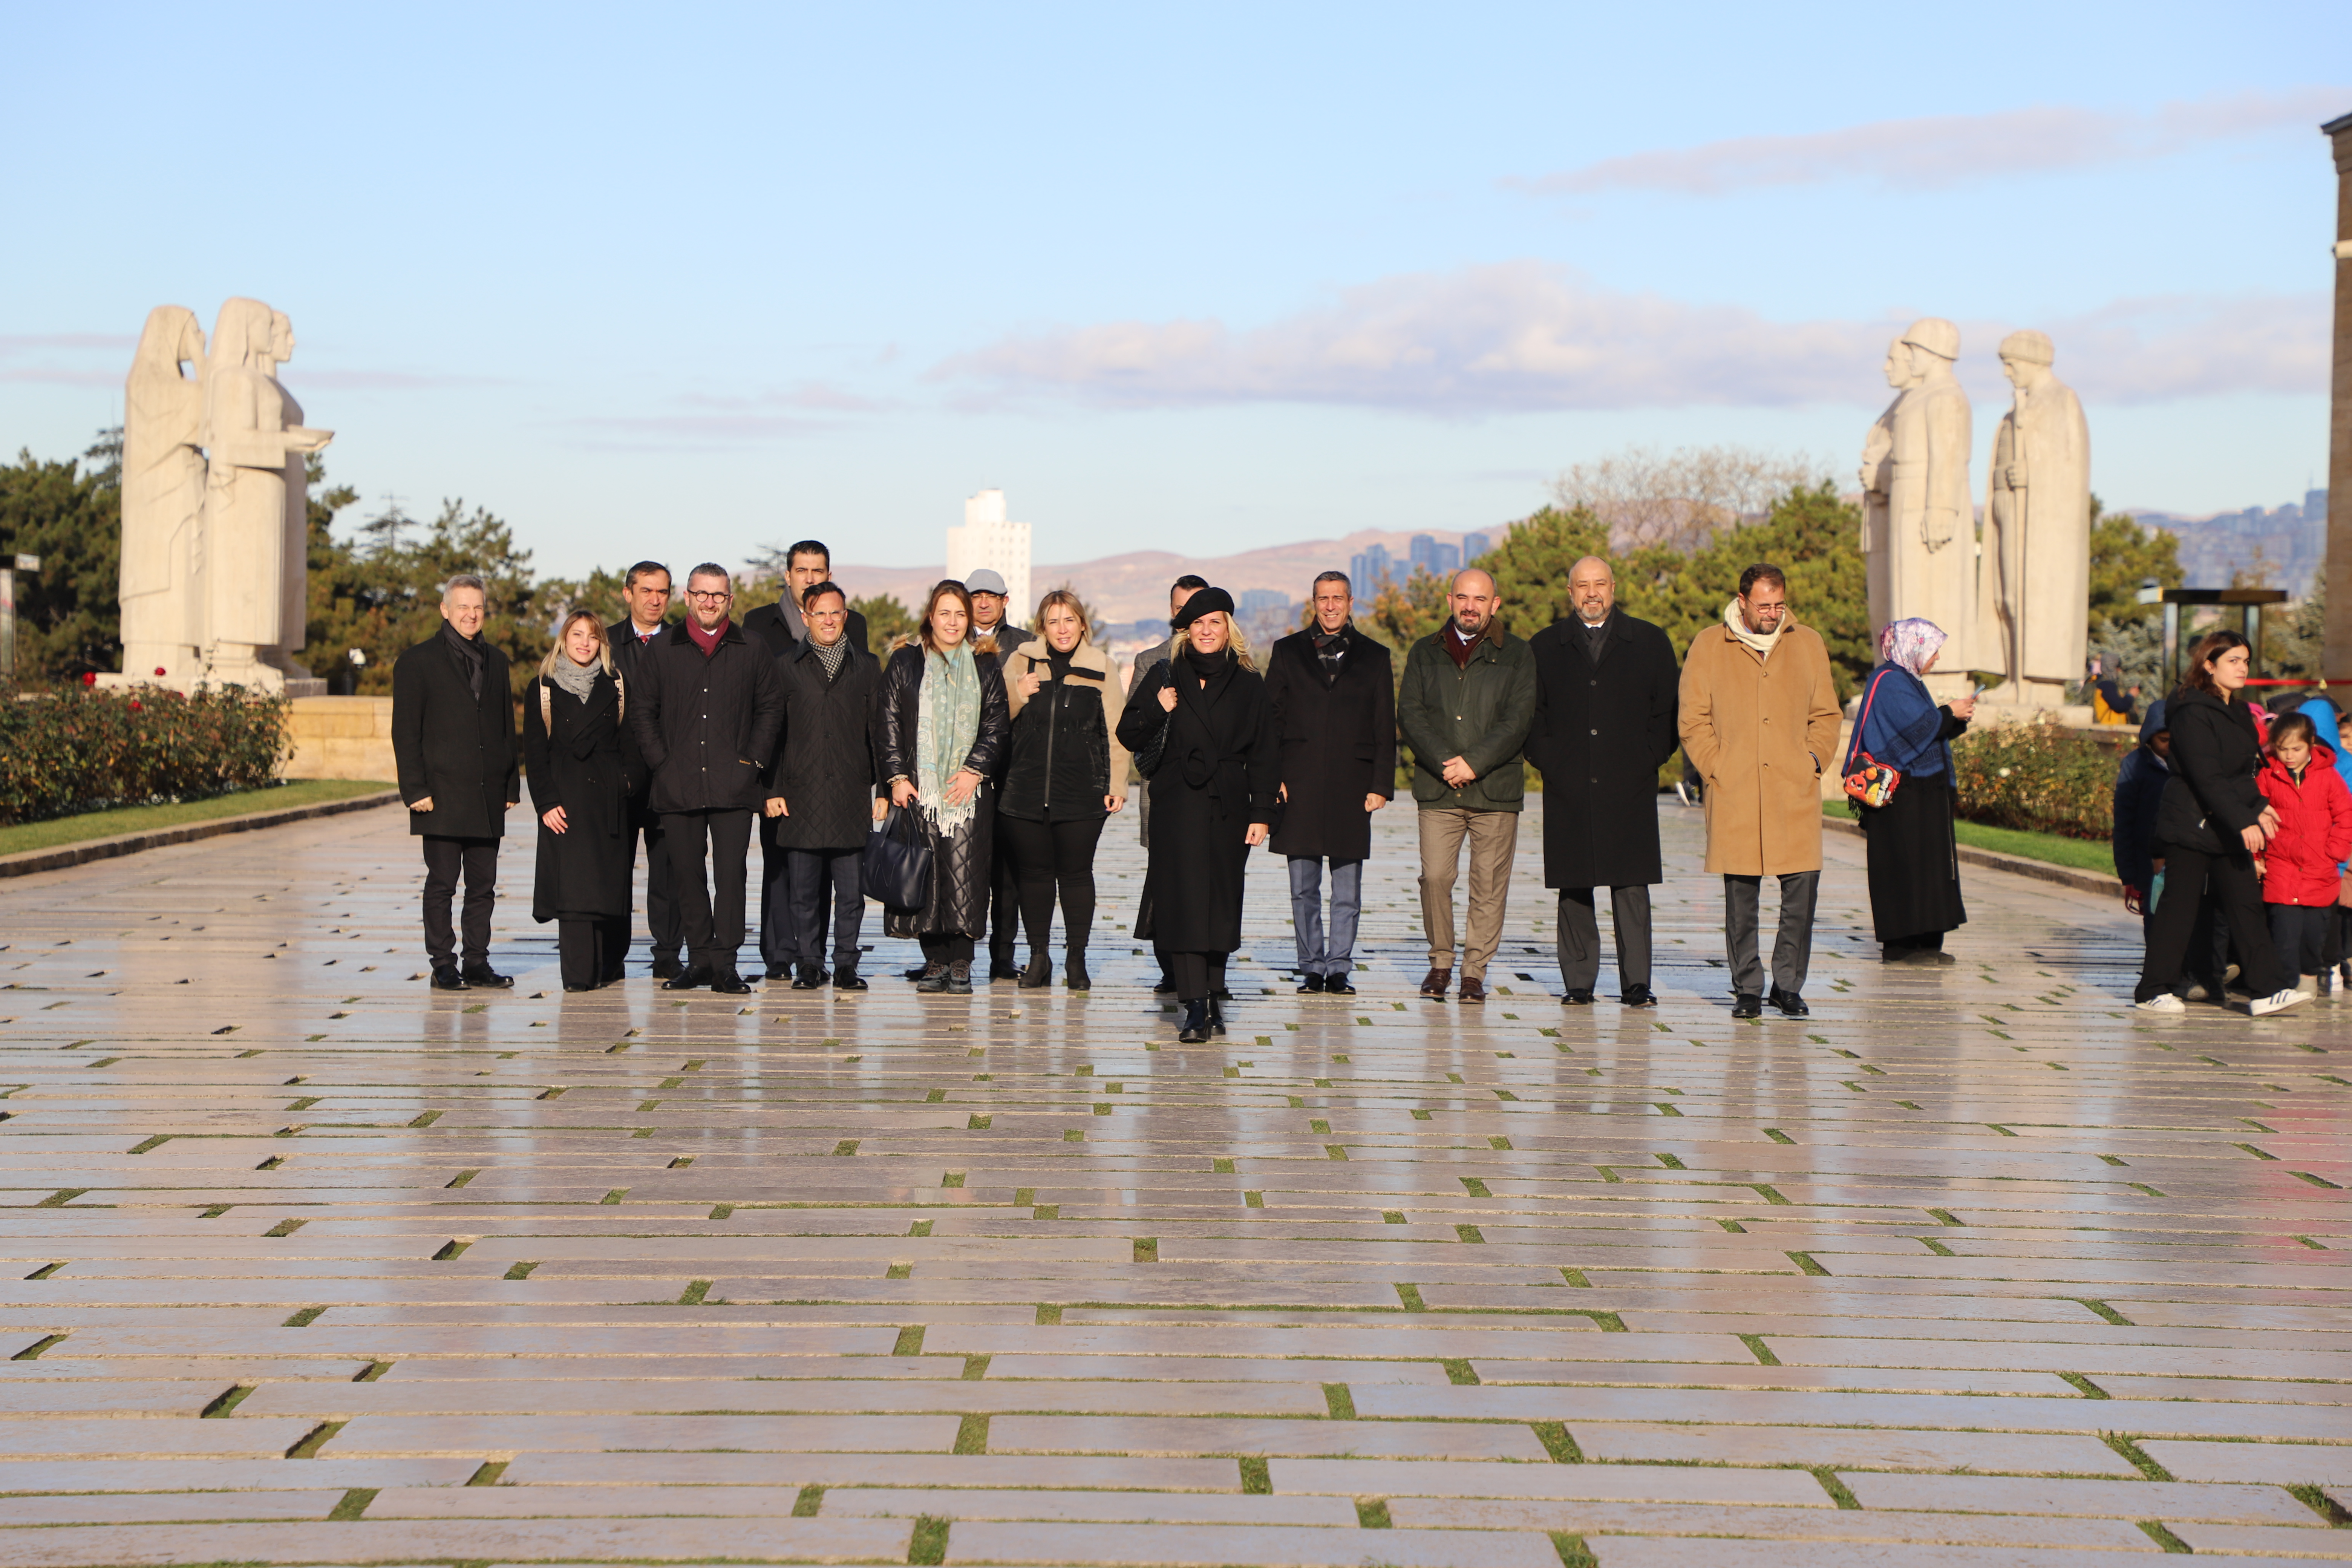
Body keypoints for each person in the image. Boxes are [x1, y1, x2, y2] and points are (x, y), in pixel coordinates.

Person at [1679, 565, 1843, 1017]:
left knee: (1802, 890)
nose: (1773, 613)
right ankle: (1748, 986)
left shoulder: (1808, 643)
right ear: (1743, 600)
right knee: (1741, 897)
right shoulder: (1710, 644)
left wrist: (1812, 760)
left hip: (1794, 788)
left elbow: (1827, 714)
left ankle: (1788, 984)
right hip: (1736, 789)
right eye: (1764, 605)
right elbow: (1692, 718)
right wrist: (1717, 766)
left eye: (1779, 604)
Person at [1116, 588, 1277, 1043]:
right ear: (1186, 632)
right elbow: (1127, 732)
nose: (1207, 632)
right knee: (1184, 903)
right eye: (1198, 624)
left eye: (1216, 623)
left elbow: (1265, 751)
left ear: (1229, 629)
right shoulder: (1167, 675)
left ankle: (1213, 991)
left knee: (1221, 902)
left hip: (1229, 802)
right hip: (1176, 802)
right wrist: (1156, 706)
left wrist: (1263, 811)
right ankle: (1193, 1007)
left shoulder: (1249, 682)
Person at [1524, 556, 1681, 1008]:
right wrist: (1551, 762)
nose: (1592, 593)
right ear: (1569, 592)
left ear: (1614, 588)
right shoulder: (1545, 645)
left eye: (1599, 584)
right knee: (1575, 884)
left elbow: (1666, 713)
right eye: (1582, 586)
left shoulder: (1650, 641)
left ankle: (1636, 982)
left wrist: (1648, 759)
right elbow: (1532, 716)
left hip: (1628, 781)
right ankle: (1578, 980)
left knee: (1631, 885)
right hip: (1568, 782)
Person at [628, 563, 786, 995]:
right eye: (702, 594)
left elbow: (770, 709)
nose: (710, 602)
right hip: (677, 783)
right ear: (688, 597)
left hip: (734, 785)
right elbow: (642, 711)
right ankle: (698, 959)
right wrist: (662, 762)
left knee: (731, 875)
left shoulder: (752, 648)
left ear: (730, 600)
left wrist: (752, 760)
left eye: (718, 595)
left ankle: (726, 963)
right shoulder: (662, 650)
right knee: (687, 874)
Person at [2135, 630, 2310, 1018]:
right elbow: (2206, 775)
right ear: (2209, 665)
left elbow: (2243, 771)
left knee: (2246, 905)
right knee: (2179, 908)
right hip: (2191, 824)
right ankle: (2152, 988)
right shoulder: (2191, 710)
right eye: (2233, 660)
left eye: (2246, 660)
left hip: (2227, 823)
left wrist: (2259, 805)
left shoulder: (2238, 712)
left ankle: (2266, 990)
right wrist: (2243, 818)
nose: (2243, 667)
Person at [1397, 567, 1537, 1003]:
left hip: (1495, 788)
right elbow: (1411, 714)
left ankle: (1474, 971)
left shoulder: (1518, 654)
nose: (1470, 606)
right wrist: (1447, 764)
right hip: (1439, 789)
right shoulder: (1425, 652)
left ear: (1495, 604)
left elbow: (1518, 719)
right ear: (1449, 600)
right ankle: (1441, 961)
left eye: (1480, 599)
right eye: (1463, 597)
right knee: (1435, 877)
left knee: (1489, 885)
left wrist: (1474, 763)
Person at [877, 580, 1012, 994]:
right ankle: (933, 960)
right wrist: (897, 777)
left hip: (968, 794)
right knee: (924, 875)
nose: (952, 622)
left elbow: (996, 724)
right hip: (919, 791)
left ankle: (961, 962)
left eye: (960, 614)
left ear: (968, 620)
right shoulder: (905, 662)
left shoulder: (986, 665)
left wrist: (975, 769)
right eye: (945, 613)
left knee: (966, 876)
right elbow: (887, 722)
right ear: (930, 617)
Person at [1265, 571, 1394, 996]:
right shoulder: (1286, 652)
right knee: (1303, 888)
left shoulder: (1376, 657)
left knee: (1347, 888)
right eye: (1324, 598)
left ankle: (1339, 967)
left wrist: (1381, 784)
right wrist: (1271, 780)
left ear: (1351, 601)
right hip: (1297, 785)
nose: (1331, 606)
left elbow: (1383, 726)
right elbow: (1271, 722)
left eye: (1338, 598)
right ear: (1314, 602)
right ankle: (1311, 967)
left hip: (1352, 786)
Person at [392, 574, 519, 991]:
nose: (471, 613)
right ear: (445, 610)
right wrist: (415, 790)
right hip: (440, 795)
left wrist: (511, 787)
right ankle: (444, 964)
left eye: (478, 606)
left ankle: (478, 962)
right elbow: (405, 732)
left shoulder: (497, 661)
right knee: (443, 885)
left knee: (483, 887)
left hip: (486, 794)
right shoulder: (417, 661)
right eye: (462, 606)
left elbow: (504, 727)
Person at [998, 588, 1130, 990]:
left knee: (1075, 875)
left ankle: (1077, 957)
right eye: (1053, 621)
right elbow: (994, 715)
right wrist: (1019, 693)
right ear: (1042, 626)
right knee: (1034, 877)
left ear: (1082, 624)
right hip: (1023, 787)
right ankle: (1039, 956)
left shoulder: (1101, 666)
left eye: (1069, 619)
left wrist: (1117, 782)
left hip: (1082, 791)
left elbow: (1117, 732)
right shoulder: (1021, 659)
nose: (1062, 628)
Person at [763, 580, 885, 991]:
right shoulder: (785, 666)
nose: (829, 620)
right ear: (806, 618)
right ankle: (810, 963)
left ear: (845, 617)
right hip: (801, 795)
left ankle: (847, 963)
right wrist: (772, 789)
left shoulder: (867, 665)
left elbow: (879, 734)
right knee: (804, 892)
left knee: (851, 893)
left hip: (851, 794)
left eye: (836, 613)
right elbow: (773, 733)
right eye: (820, 613)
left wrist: (883, 790)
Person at [1844, 617, 1974, 970]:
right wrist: (1948, 714)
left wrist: (1954, 720)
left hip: (1924, 791)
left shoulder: (1910, 681)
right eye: (1932, 652)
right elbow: (1919, 727)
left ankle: (1927, 941)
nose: (1935, 660)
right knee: (1901, 868)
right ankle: (1901, 945)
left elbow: (1926, 731)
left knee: (1930, 867)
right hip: (1900, 796)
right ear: (1913, 648)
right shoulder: (1889, 681)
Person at [524, 611, 643, 990]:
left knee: (609, 887)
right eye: (577, 634)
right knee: (574, 889)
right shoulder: (543, 686)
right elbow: (534, 751)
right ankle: (578, 976)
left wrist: (626, 784)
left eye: (593, 637)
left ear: (602, 644)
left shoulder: (618, 684)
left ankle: (610, 964)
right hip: (565, 798)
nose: (584, 643)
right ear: (564, 638)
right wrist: (545, 802)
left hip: (608, 798)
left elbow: (632, 744)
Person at [1132, 575, 1210, 995]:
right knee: (1164, 882)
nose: (1189, 616)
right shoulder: (1150, 661)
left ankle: (1208, 971)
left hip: (1212, 796)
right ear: (1172, 612)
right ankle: (1170, 967)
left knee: (1209, 882)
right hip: (1163, 792)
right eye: (1181, 608)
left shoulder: (1233, 659)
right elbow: (1133, 729)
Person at [607, 561, 683, 978]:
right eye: (647, 591)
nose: (655, 599)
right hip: (617, 779)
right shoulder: (603, 643)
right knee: (615, 870)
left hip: (668, 777)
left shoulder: (680, 642)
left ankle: (668, 953)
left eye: (663, 592)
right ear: (628, 593)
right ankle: (612, 954)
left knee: (669, 871)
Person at [964, 568, 1037, 981]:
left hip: (1010, 772)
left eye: (993, 595)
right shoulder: (950, 638)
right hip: (959, 773)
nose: (985, 602)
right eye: (977, 595)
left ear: (1006, 601)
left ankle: (1002, 957)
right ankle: (952, 953)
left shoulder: (1025, 644)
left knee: (1007, 875)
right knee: (960, 868)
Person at [2256, 711, 2352, 998]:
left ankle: (2309, 977)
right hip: (2281, 868)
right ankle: (2286, 987)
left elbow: (2346, 816)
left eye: (2296, 749)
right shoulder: (2267, 775)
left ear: (2311, 744)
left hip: (2319, 869)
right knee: (2284, 934)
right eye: (2282, 749)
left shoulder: (2328, 776)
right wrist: (2257, 858)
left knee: (2314, 935)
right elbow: (2254, 815)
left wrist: (2335, 852)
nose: (2289, 756)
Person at [742, 539, 870, 657]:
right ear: (788, 577)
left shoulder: (854, 624)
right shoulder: (758, 623)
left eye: (817, 571)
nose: (810, 580)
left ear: (829, 578)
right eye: (801, 571)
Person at [2113, 697, 2173, 939]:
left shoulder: (2188, 764)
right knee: (2155, 922)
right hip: (2147, 862)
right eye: (2163, 740)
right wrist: (2128, 875)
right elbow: (2124, 821)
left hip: (2181, 857)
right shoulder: (2135, 764)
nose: (2170, 746)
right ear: (2149, 737)